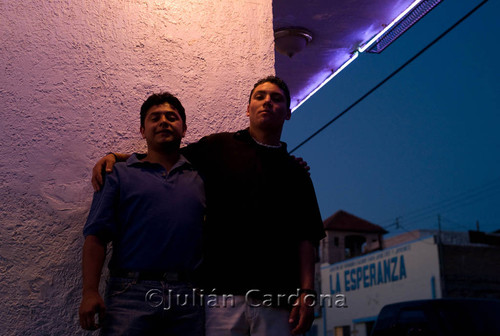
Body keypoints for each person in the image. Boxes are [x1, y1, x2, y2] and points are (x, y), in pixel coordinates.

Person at [92, 76, 326, 336]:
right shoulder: (218, 147)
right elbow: (166, 152)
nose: (267, 102)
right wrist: (116, 157)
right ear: (248, 109)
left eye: (276, 98)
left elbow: (307, 237)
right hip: (220, 298)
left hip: (278, 299)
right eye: (260, 97)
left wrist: (306, 292)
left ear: (288, 113)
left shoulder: (296, 173)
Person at [79, 92, 206, 335]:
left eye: (172, 117)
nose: (164, 122)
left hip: (187, 297)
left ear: (184, 128)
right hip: (129, 293)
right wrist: (90, 291)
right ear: (142, 130)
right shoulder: (118, 175)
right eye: (154, 118)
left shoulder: (201, 177)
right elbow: (96, 237)